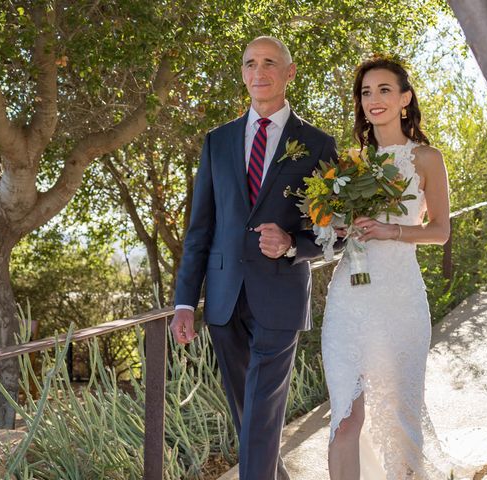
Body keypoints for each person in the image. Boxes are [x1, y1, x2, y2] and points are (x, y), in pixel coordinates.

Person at [322, 55, 487, 479]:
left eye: (384, 90)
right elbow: (333, 228)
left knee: (400, 415)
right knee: (345, 419)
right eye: (366, 92)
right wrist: (333, 222)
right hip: (348, 298)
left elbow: (441, 230)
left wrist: (394, 233)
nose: (374, 99)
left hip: (398, 299)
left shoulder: (426, 158)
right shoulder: (351, 164)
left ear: (405, 99)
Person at [170, 36, 337, 480]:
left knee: (261, 409)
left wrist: (292, 244)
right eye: (250, 64)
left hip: (280, 293)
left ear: (289, 72)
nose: (258, 72)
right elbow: (200, 228)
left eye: (269, 63)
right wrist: (185, 301)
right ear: (242, 73)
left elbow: (337, 231)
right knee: (249, 416)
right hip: (224, 299)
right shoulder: (217, 141)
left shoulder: (318, 145)